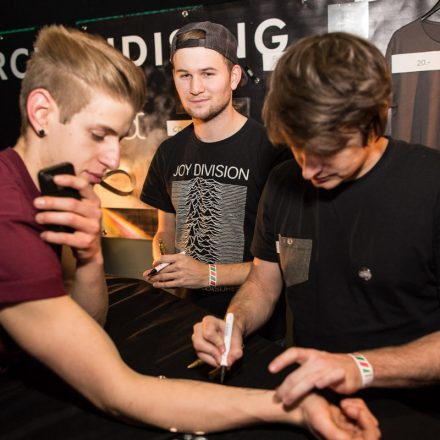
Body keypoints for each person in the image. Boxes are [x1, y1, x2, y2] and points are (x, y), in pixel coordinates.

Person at [0, 25, 380, 439]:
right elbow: (118, 391)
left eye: (120, 138)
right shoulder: (9, 213)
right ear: (41, 113)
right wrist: (293, 410)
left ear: (234, 77)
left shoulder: (270, 153)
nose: (112, 159)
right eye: (99, 135)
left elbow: (86, 325)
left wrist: (91, 254)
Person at [192, 31, 440, 409]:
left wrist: (360, 367)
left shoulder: (431, 186)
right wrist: (233, 325)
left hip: (415, 414)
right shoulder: (282, 182)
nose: (308, 171)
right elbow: (263, 282)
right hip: (308, 404)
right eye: (297, 148)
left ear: (376, 115)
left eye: (326, 151)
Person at [140, 21, 290, 325]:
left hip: (253, 328)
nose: (195, 88)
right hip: (183, 318)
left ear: (234, 77)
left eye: (208, 74)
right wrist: (164, 262)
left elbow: (290, 262)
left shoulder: (274, 152)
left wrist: (206, 274)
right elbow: (165, 232)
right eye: (185, 75)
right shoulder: (169, 151)